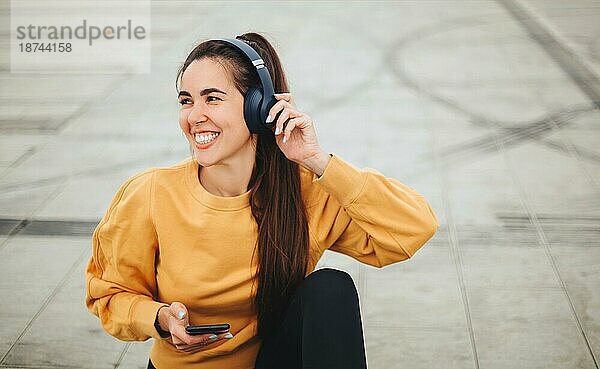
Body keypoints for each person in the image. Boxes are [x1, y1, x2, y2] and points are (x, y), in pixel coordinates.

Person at [84, 32, 440, 369]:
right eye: (186, 100)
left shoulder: (304, 191)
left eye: (212, 98)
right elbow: (109, 296)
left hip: (273, 360)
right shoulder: (150, 194)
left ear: (259, 107)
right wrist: (158, 319)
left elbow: (414, 228)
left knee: (330, 288)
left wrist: (317, 160)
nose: (194, 116)